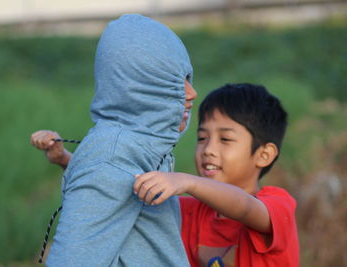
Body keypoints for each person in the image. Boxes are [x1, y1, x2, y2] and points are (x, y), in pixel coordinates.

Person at [31, 14, 197, 266]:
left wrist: (66, 160)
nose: (191, 92)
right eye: (173, 82)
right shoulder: (111, 156)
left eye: (187, 78)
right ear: (138, 88)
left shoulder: (142, 147)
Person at [133, 83, 299, 267]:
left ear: (263, 155)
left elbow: (244, 206)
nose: (208, 150)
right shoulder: (189, 212)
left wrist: (188, 181)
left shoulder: (277, 205)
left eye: (225, 139)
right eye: (202, 138)